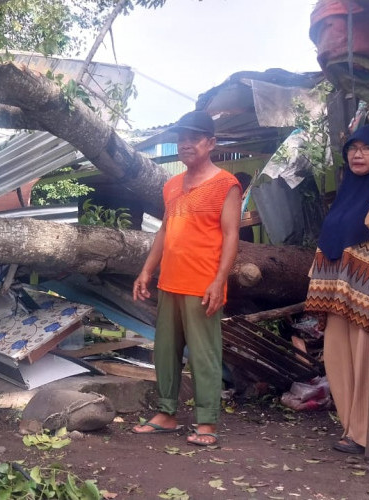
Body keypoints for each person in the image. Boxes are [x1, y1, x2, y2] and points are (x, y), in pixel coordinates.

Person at [131, 110, 241, 446]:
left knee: (204, 353)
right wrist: (147, 270)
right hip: (170, 281)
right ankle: (166, 413)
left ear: (211, 143)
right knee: (165, 350)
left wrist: (218, 281)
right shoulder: (172, 185)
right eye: (181, 138)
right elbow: (165, 230)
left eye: (194, 138)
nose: (185, 144)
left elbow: (232, 236)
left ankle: (206, 422)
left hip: (202, 283)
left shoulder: (227, 184)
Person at [304, 123, 369, 454]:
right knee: (338, 360)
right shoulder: (346, 193)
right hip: (336, 294)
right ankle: (351, 429)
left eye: (366, 148)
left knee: (367, 363)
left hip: (367, 294)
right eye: (352, 148)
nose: (358, 154)